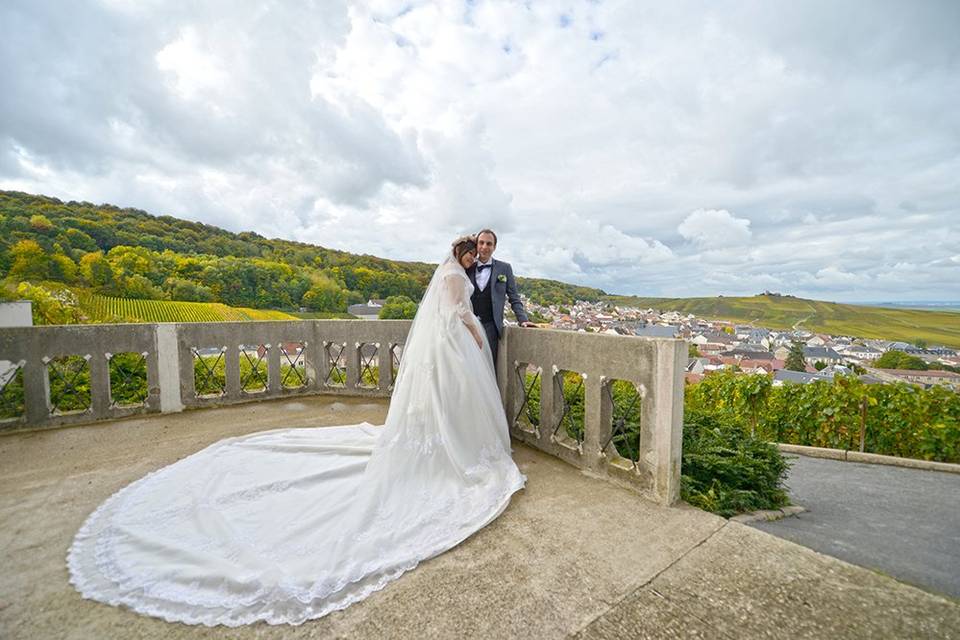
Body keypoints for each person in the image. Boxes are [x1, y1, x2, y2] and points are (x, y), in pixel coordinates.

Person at [67, 235, 525, 627]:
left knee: (449, 405)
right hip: (456, 345)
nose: (476, 255)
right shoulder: (452, 276)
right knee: (448, 404)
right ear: (464, 252)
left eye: (481, 249)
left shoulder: (483, 271)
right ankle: (451, 451)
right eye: (473, 249)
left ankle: (453, 444)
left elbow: (497, 302)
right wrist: (473, 331)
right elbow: (455, 313)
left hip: (456, 348)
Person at [465, 228, 536, 368]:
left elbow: (514, 297)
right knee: (467, 367)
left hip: (491, 326)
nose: (484, 247)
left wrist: (523, 320)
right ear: (476, 245)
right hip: (468, 326)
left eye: (489, 244)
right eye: (481, 243)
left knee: (488, 368)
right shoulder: (467, 266)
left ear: (494, 247)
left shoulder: (504, 268)